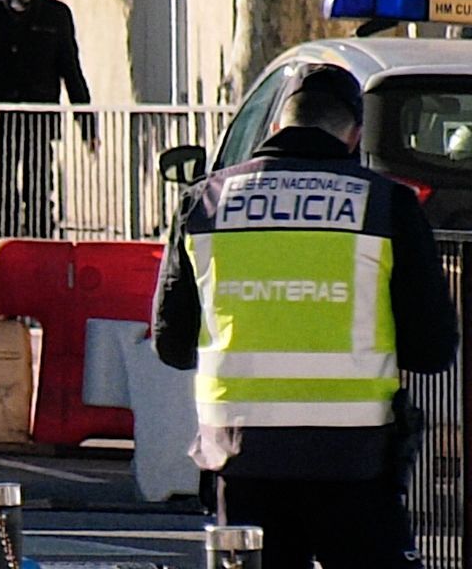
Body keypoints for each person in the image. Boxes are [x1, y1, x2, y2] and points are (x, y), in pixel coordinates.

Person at [152, 64, 458, 568]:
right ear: (353, 135)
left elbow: (171, 343)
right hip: (355, 463)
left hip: (241, 457)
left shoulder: (205, 201)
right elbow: (431, 348)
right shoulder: (385, 205)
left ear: (275, 127)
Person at [0, 0, 94, 238]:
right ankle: (2, 249)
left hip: (39, 123)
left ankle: (40, 249)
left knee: (40, 189)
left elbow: (71, 71)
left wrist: (87, 126)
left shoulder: (56, 14)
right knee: (0, 189)